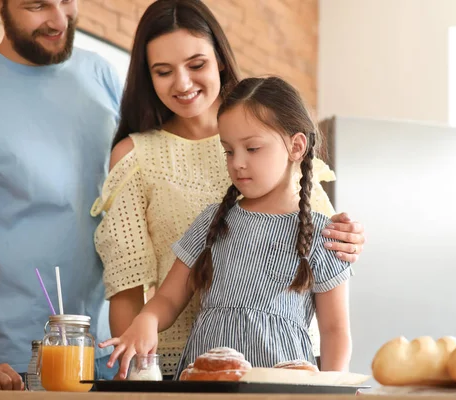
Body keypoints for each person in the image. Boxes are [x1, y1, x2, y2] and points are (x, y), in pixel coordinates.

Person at [90, 0, 364, 379]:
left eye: (196, 64)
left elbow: (336, 328)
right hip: (188, 375)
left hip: (290, 379)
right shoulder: (205, 215)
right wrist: (142, 338)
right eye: (164, 71)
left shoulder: (312, 224)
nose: (237, 163)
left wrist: (349, 234)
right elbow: (150, 294)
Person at [0, 0, 121, 390]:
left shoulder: (102, 74)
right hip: (14, 367)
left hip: (112, 354)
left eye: (67, 0)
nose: (58, 20)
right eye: (37, 5)